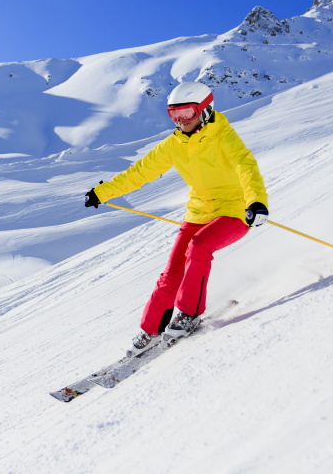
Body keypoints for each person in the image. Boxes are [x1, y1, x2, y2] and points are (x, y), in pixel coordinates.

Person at [83, 81, 268, 354]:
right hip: (198, 213)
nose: (180, 121)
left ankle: (188, 315)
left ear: (205, 110)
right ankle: (152, 329)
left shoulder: (224, 136)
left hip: (235, 211)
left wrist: (256, 202)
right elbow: (139, 172)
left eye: (187, 114)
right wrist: (102, 192)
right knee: (172, 274)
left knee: (200, 246)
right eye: (174, 115)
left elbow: (246, 167)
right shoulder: (174, 144)